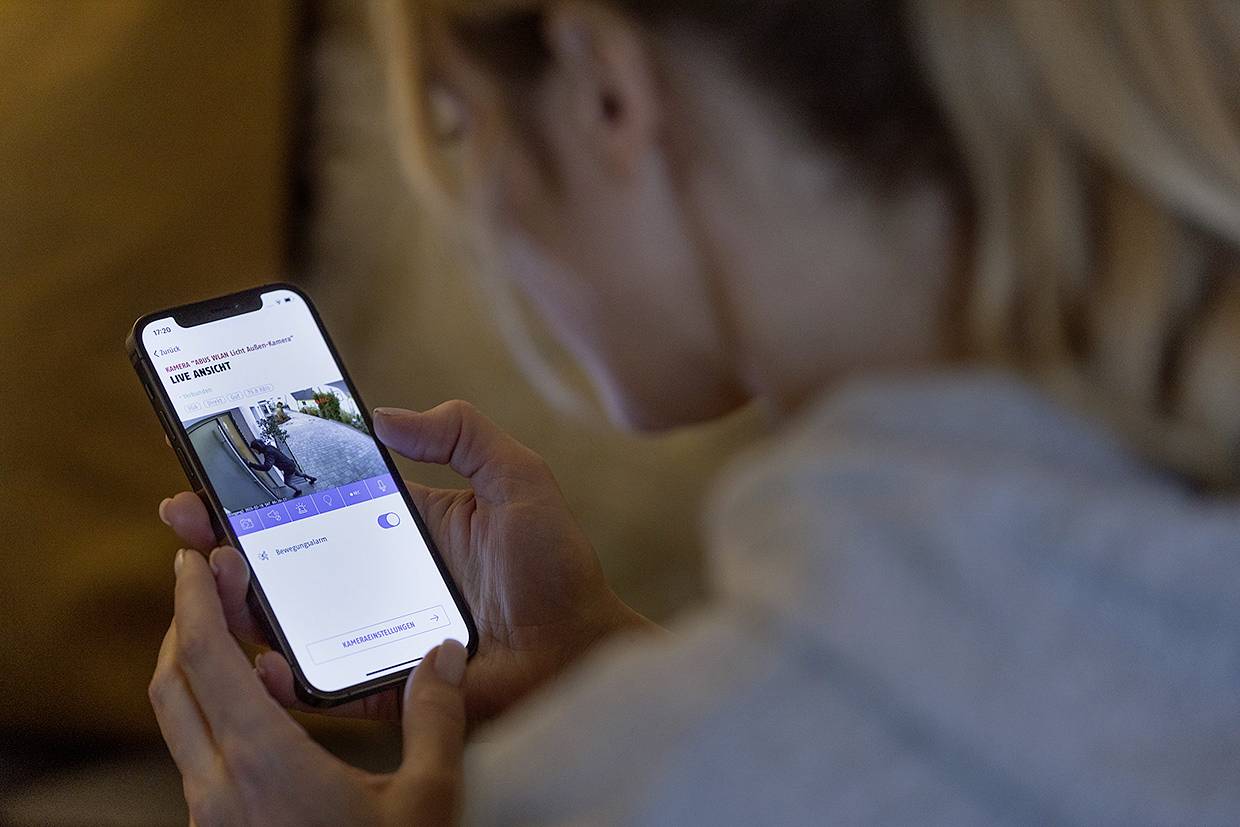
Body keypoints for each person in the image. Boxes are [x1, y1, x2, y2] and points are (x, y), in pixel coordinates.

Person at [151, 1, 1240, 824]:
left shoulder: (619, 787)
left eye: (457, 123)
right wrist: (612, 666)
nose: (481, 220)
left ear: (606, 91)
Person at [246, 438, 317, 496]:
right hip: (290, 463)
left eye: (254, 450)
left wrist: (251, 465)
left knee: (287, 482)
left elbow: (266, 467)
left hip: (288, 468)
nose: (254, 452)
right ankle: (312, 478)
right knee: (299, 474)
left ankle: (298, 491)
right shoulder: (269, 447)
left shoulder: (268, 453)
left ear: (258, 448)